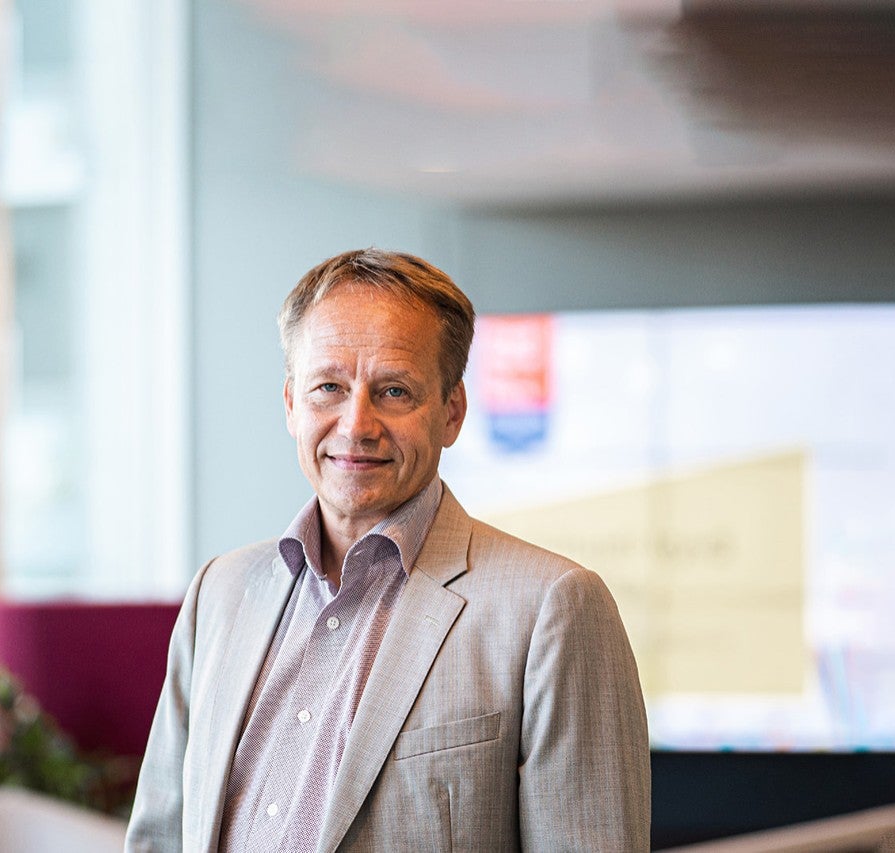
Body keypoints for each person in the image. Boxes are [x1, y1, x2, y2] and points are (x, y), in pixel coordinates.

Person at [126, 249, 649, 852]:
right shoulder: (219, 592)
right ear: (292, 404)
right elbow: (159, 839)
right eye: (329, 387)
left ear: (452, 412)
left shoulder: (551, 609)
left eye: (395, 391)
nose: (356, 425)